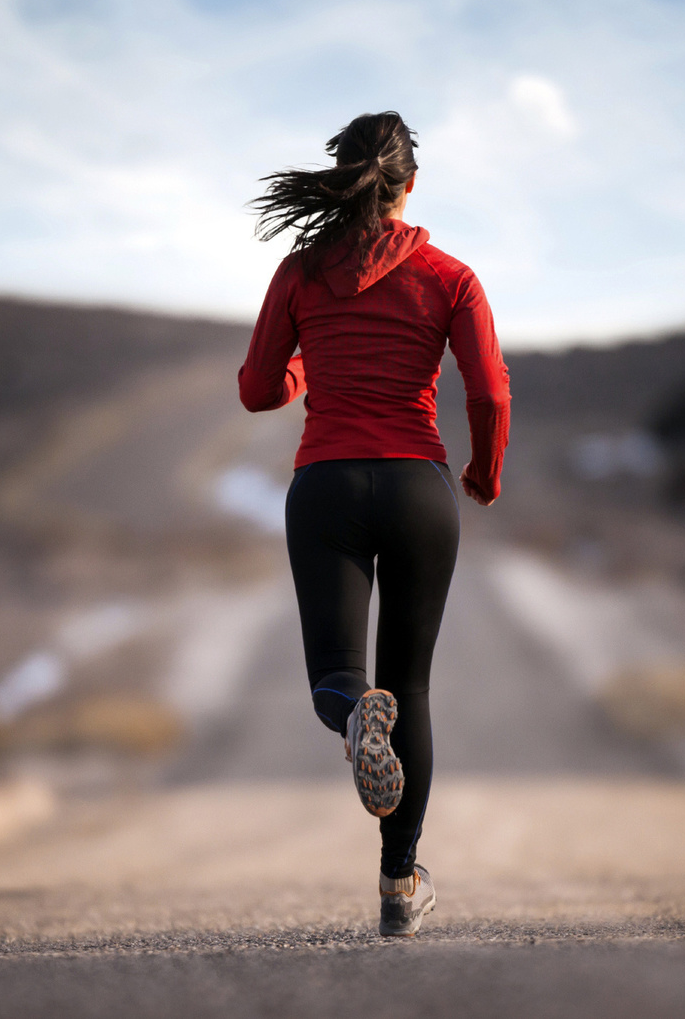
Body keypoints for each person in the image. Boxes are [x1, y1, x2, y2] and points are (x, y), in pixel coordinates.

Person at [238, 111, 510, 937]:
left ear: (342, 177)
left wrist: (300, 365)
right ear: (410, 185)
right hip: (419, 487)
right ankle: (399, 884)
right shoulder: (450, 276)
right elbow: (489, 390)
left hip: (325, 483)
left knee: (341, 677)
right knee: (414, 685)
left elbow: (257, 390)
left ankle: (356, 715)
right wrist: (483, 472)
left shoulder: (301, 271)